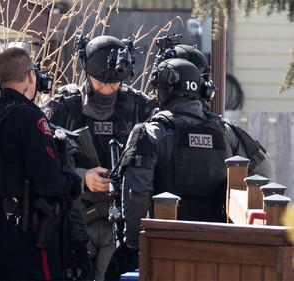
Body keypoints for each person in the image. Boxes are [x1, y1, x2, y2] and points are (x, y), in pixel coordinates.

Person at [104, 57, 272, 280]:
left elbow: (137, 196)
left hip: (165, 251)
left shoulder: (149, 133)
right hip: (219, 251)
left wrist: (132, 243)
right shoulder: (225, 131)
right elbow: (264, 171)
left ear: (163, 90)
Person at [41, 35, 158, 281]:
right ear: (86, 72)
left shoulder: (139, 107)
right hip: (74, 221)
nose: (107, 89)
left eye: (114, 84)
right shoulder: (67, 106)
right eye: (100, 83)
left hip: (121, 225)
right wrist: (83, 177)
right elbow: (40, 157)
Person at [0, 47, 83, 280]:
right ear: (30, 76)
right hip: (24, 232)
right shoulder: (30, 117)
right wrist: (73, 179)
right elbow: (48, 182)